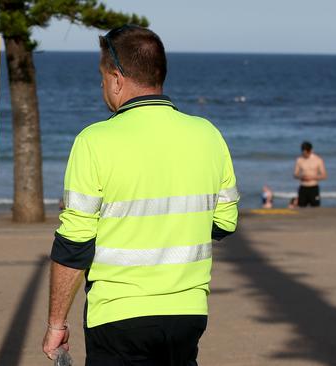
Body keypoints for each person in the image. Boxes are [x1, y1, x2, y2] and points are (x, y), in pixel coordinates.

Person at [42, 25, 239, 365]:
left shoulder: (94, 141)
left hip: (118, 316)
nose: (102, 84)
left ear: (116, 78)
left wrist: (56, 323)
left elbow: (74, 243)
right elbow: (224, 222)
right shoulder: (208, 135)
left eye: (102, 76)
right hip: (187, 314)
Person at [293, 141, 327, 207]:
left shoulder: (318, 160)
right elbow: (295, 174)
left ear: (311, 150)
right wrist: (301, 177)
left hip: (313, 187)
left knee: (315, 208)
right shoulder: (299, 160)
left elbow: (324, 175)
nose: (305, 155)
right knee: (301, 207)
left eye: (306, 153)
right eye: (303, 153)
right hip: (303, 187)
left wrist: (312, 178)